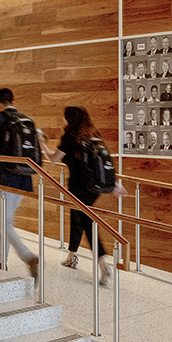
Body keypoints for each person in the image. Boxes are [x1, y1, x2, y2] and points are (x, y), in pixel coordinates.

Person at [40, 107, 113, 285]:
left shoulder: (70, 136)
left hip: (79, 187)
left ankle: (102, 263)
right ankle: (71, 256)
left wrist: (42, 143)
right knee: (78, 217)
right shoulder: (92, 134)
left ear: (70, 120)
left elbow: (53, 159)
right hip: (95, 187)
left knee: (86, 222)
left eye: (64, 118)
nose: (63, 121)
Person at [0, 88, 39, 278]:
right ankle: (0, 261)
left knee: (4, 223)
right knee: (6, 221)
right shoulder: (27, 120)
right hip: (24, 179)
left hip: (4, 178)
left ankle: (28, 256)